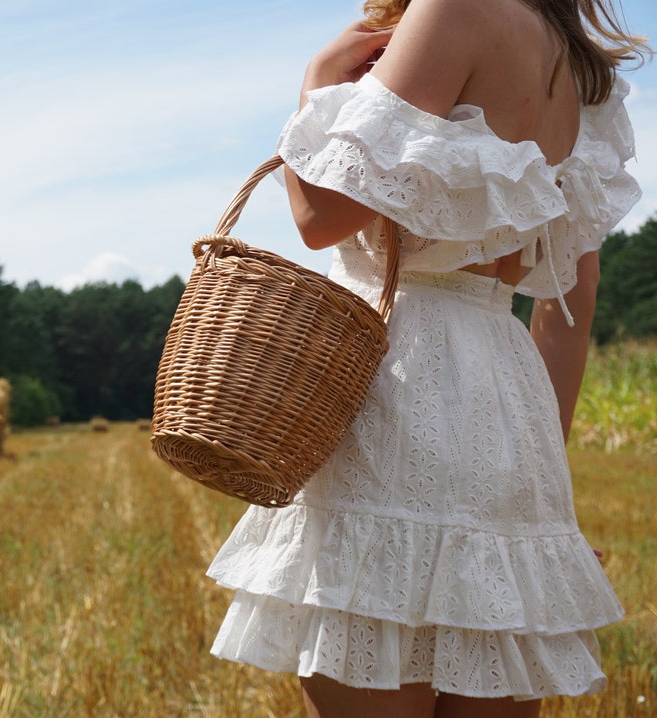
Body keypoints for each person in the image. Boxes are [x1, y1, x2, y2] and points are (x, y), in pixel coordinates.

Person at [205, 0, 650, 716]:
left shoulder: (454, 11)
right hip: (506, 401)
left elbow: (320, 217)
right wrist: (543, 503)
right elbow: (572, 304)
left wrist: (316, 83)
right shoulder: (575, 69)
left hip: (395, 383)